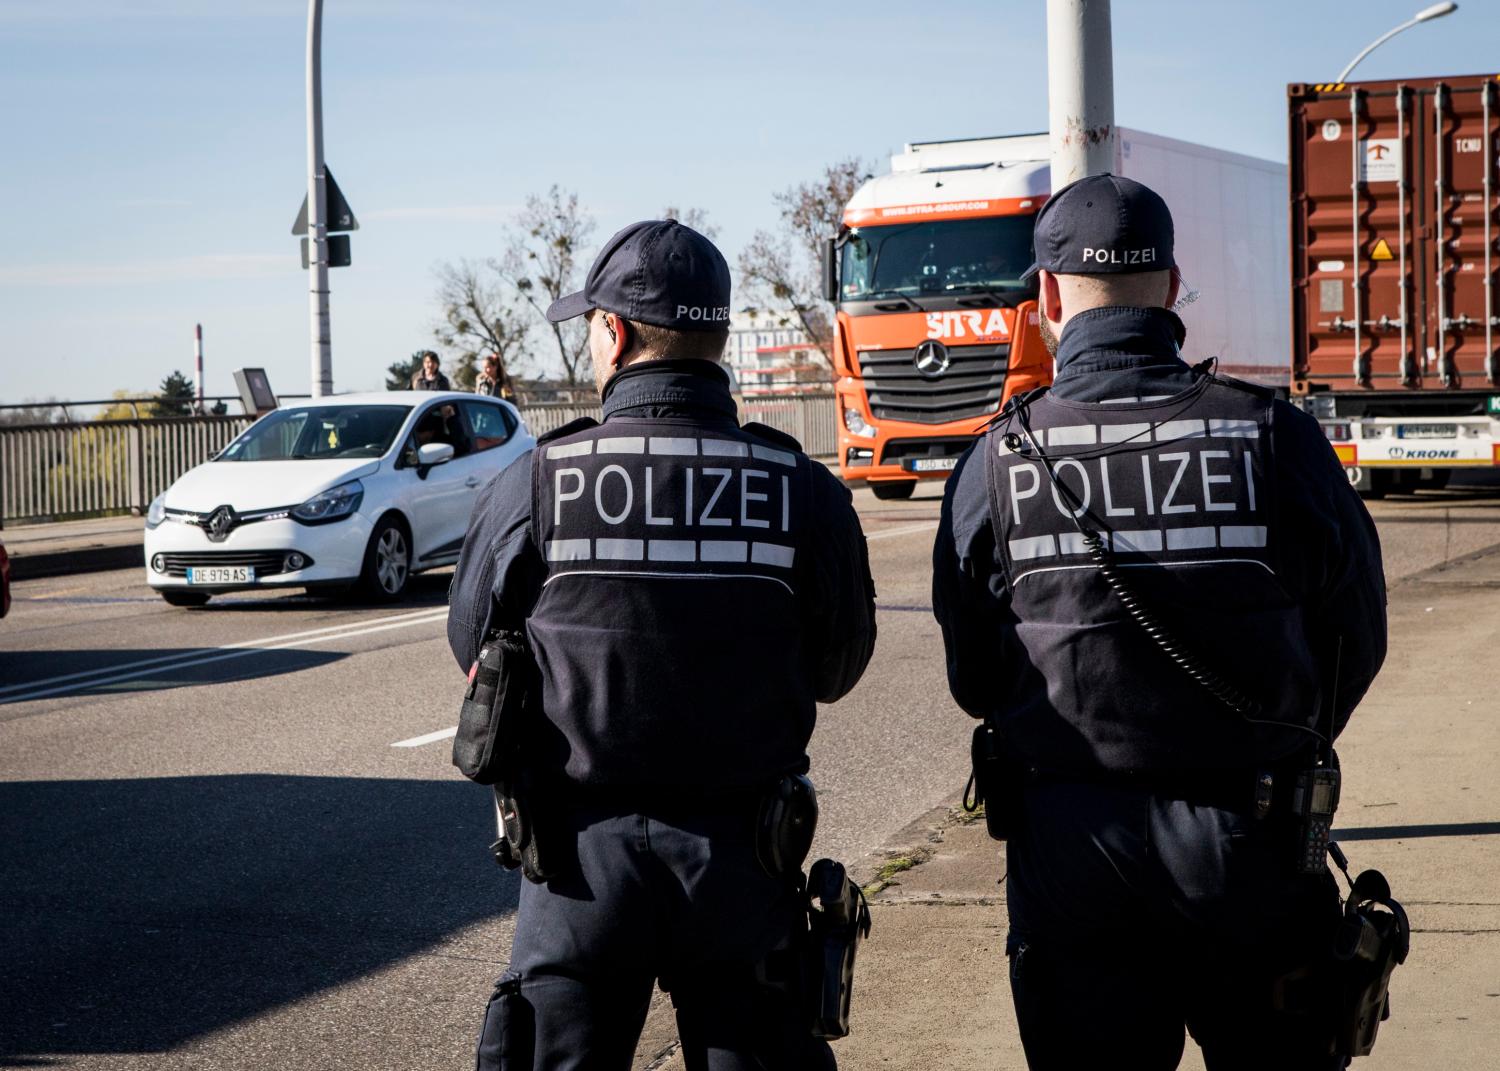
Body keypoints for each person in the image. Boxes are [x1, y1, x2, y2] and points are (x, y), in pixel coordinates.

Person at [931, 174, 1387, 1071]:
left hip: (1070, 851)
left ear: (1049, 297)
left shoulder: (998, 460)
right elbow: (1356, 632)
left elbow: (973, 675)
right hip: (1253, 845)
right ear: (1173, 286)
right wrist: (1281, 738)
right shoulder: (1275, 436)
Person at [448, 219, 877, 1070]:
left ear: (612, 333)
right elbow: (838, 667)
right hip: (744, 865)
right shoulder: (798, 486)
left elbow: (471, 643)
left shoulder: (539, 479)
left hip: (576, 871)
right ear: (716, 335)